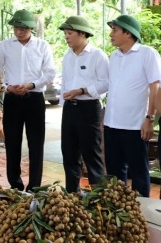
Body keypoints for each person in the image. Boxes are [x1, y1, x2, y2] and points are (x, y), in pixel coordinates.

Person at [0, 9, 56, 191]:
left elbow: (50, 73)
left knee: (36, 144)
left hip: (34, 98)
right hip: (12, 98)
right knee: (12, 143)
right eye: (16, 27)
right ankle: (15, 185)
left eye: (23, 28)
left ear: (31, 28)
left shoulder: (42, 46)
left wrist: (31, 85)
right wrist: (7, 87)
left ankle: (34, 186)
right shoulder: (4, 46)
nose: (19, 31)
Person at [105, 15, 160, 197]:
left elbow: (155, 87)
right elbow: (113, 89)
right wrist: (106, 120)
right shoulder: (114, 56)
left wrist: (149, 118)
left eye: (115, 30)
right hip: (112, 125)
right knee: (114, 172)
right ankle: (118, 210)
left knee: (139, 172)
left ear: (128, 33)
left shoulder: (147, 53)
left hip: (135, 125)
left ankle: (142, 213)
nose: (111, 34)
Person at [58, 16, 108, 193]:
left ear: (82, 33)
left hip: (89, 109)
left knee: (91, 154)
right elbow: (65, 83)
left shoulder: (98, 56)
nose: (66, 36)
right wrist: (65, 102)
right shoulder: (67, 57)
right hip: (70, 109)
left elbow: (106, 83)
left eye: (70, 33)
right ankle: (72, 194)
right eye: (65, 33)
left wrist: (82, 90)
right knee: (69, 153)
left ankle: (99, 197)